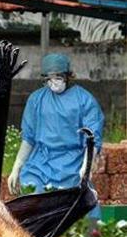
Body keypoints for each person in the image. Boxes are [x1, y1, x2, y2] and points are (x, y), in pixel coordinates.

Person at [8, 53, 105, 196]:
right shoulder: (36, 100)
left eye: (58, 78)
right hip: (39, 163)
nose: (53, 83)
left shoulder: (84, 101)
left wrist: (86, 167)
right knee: (32, 200)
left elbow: (93, 139)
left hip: (71, 165)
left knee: (69, 207)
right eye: (49, 79)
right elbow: (28, 138)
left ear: (68, 76)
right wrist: (16, 167)